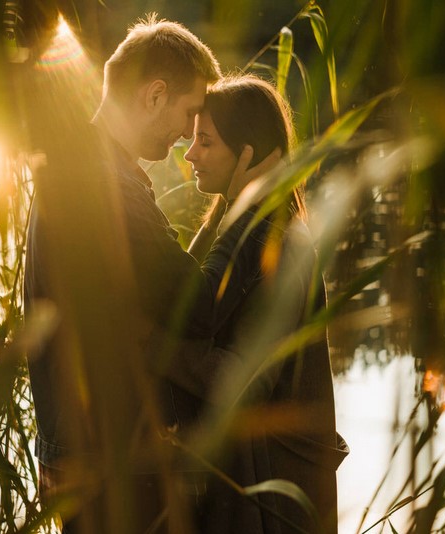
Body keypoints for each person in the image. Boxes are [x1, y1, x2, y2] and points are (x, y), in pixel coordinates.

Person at [23, 15, 281, 533]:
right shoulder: (106, 185)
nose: (190, 134)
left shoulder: (89, 169)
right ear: (155, 94)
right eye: (190, 114)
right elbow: (199, 306)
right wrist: (253, 202)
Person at [172, 74, 348, 534]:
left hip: (277, 504)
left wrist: (148, 345)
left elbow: (243, 382)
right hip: (252, 491)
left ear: (246, 152)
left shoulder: (280, 244)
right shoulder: (234, 226)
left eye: (205, 141)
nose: (189, 154)